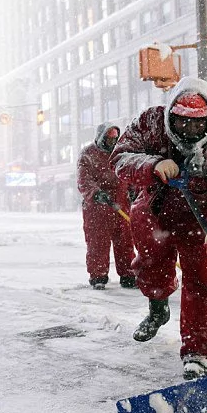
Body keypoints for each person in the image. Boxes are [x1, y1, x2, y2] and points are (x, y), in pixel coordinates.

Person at [111, 77, 207, 380]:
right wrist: (152, 164)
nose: (189, 131)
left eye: (197, 124)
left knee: (201, 280)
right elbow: (121, 157)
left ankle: (198, 353)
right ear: (170, 116)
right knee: (151, 264)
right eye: (181, 123)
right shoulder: (150, 124)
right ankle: (158, 306)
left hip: (200, 220)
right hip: (155, 210)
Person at [76, 122, 137, 290]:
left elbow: (128, 174)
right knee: (98, 243)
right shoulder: (88, 154)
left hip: (121, 205)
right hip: (97, 208)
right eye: (109, 139)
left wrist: (133, 191)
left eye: (115, 139)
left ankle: (128, 275)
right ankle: (98, 276)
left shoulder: (120, 153)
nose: (112, 142)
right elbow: (83, 180)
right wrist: (96, 193)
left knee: (125, 242)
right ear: (101, 137)